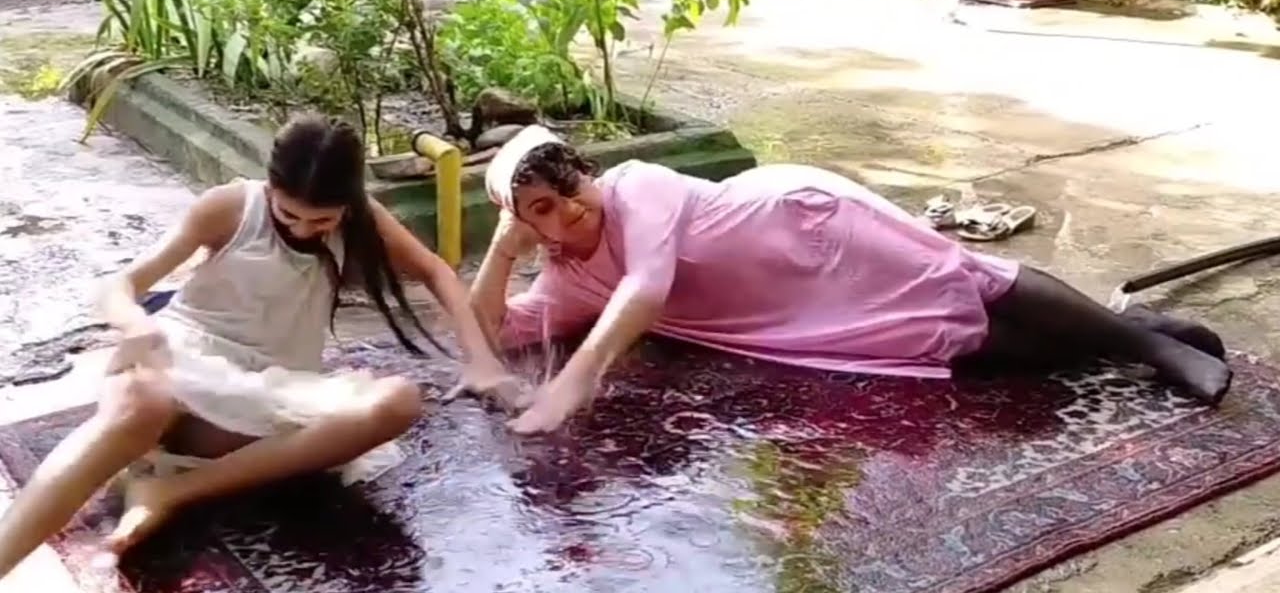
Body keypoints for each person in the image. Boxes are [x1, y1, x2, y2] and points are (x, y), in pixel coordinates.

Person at [0, 115, 516, 579]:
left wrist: (483, 362)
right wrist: (136, 324)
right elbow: (121, 286)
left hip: (265, 395)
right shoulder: (231, 208)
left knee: (397, 400)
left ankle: (172, 491)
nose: (303, 230)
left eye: (321, 222)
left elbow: (435, 271)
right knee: (142, 405)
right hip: (183, 362)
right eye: (289, 215)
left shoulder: (362, 218)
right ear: (271, 186)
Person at [470, 126, 1233, 435]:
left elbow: (649, 287)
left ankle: (1151, 348)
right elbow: (490, 334)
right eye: (541, 209)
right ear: (524, 221)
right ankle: (1129, 335)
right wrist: (501, 257)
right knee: (960, 346)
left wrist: (573, 382)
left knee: (970, 279)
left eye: (570, 187)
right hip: (790, 313)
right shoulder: (569, 276)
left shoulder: (639, 186)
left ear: (588, 173)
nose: (568, 211)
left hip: (814, 231)